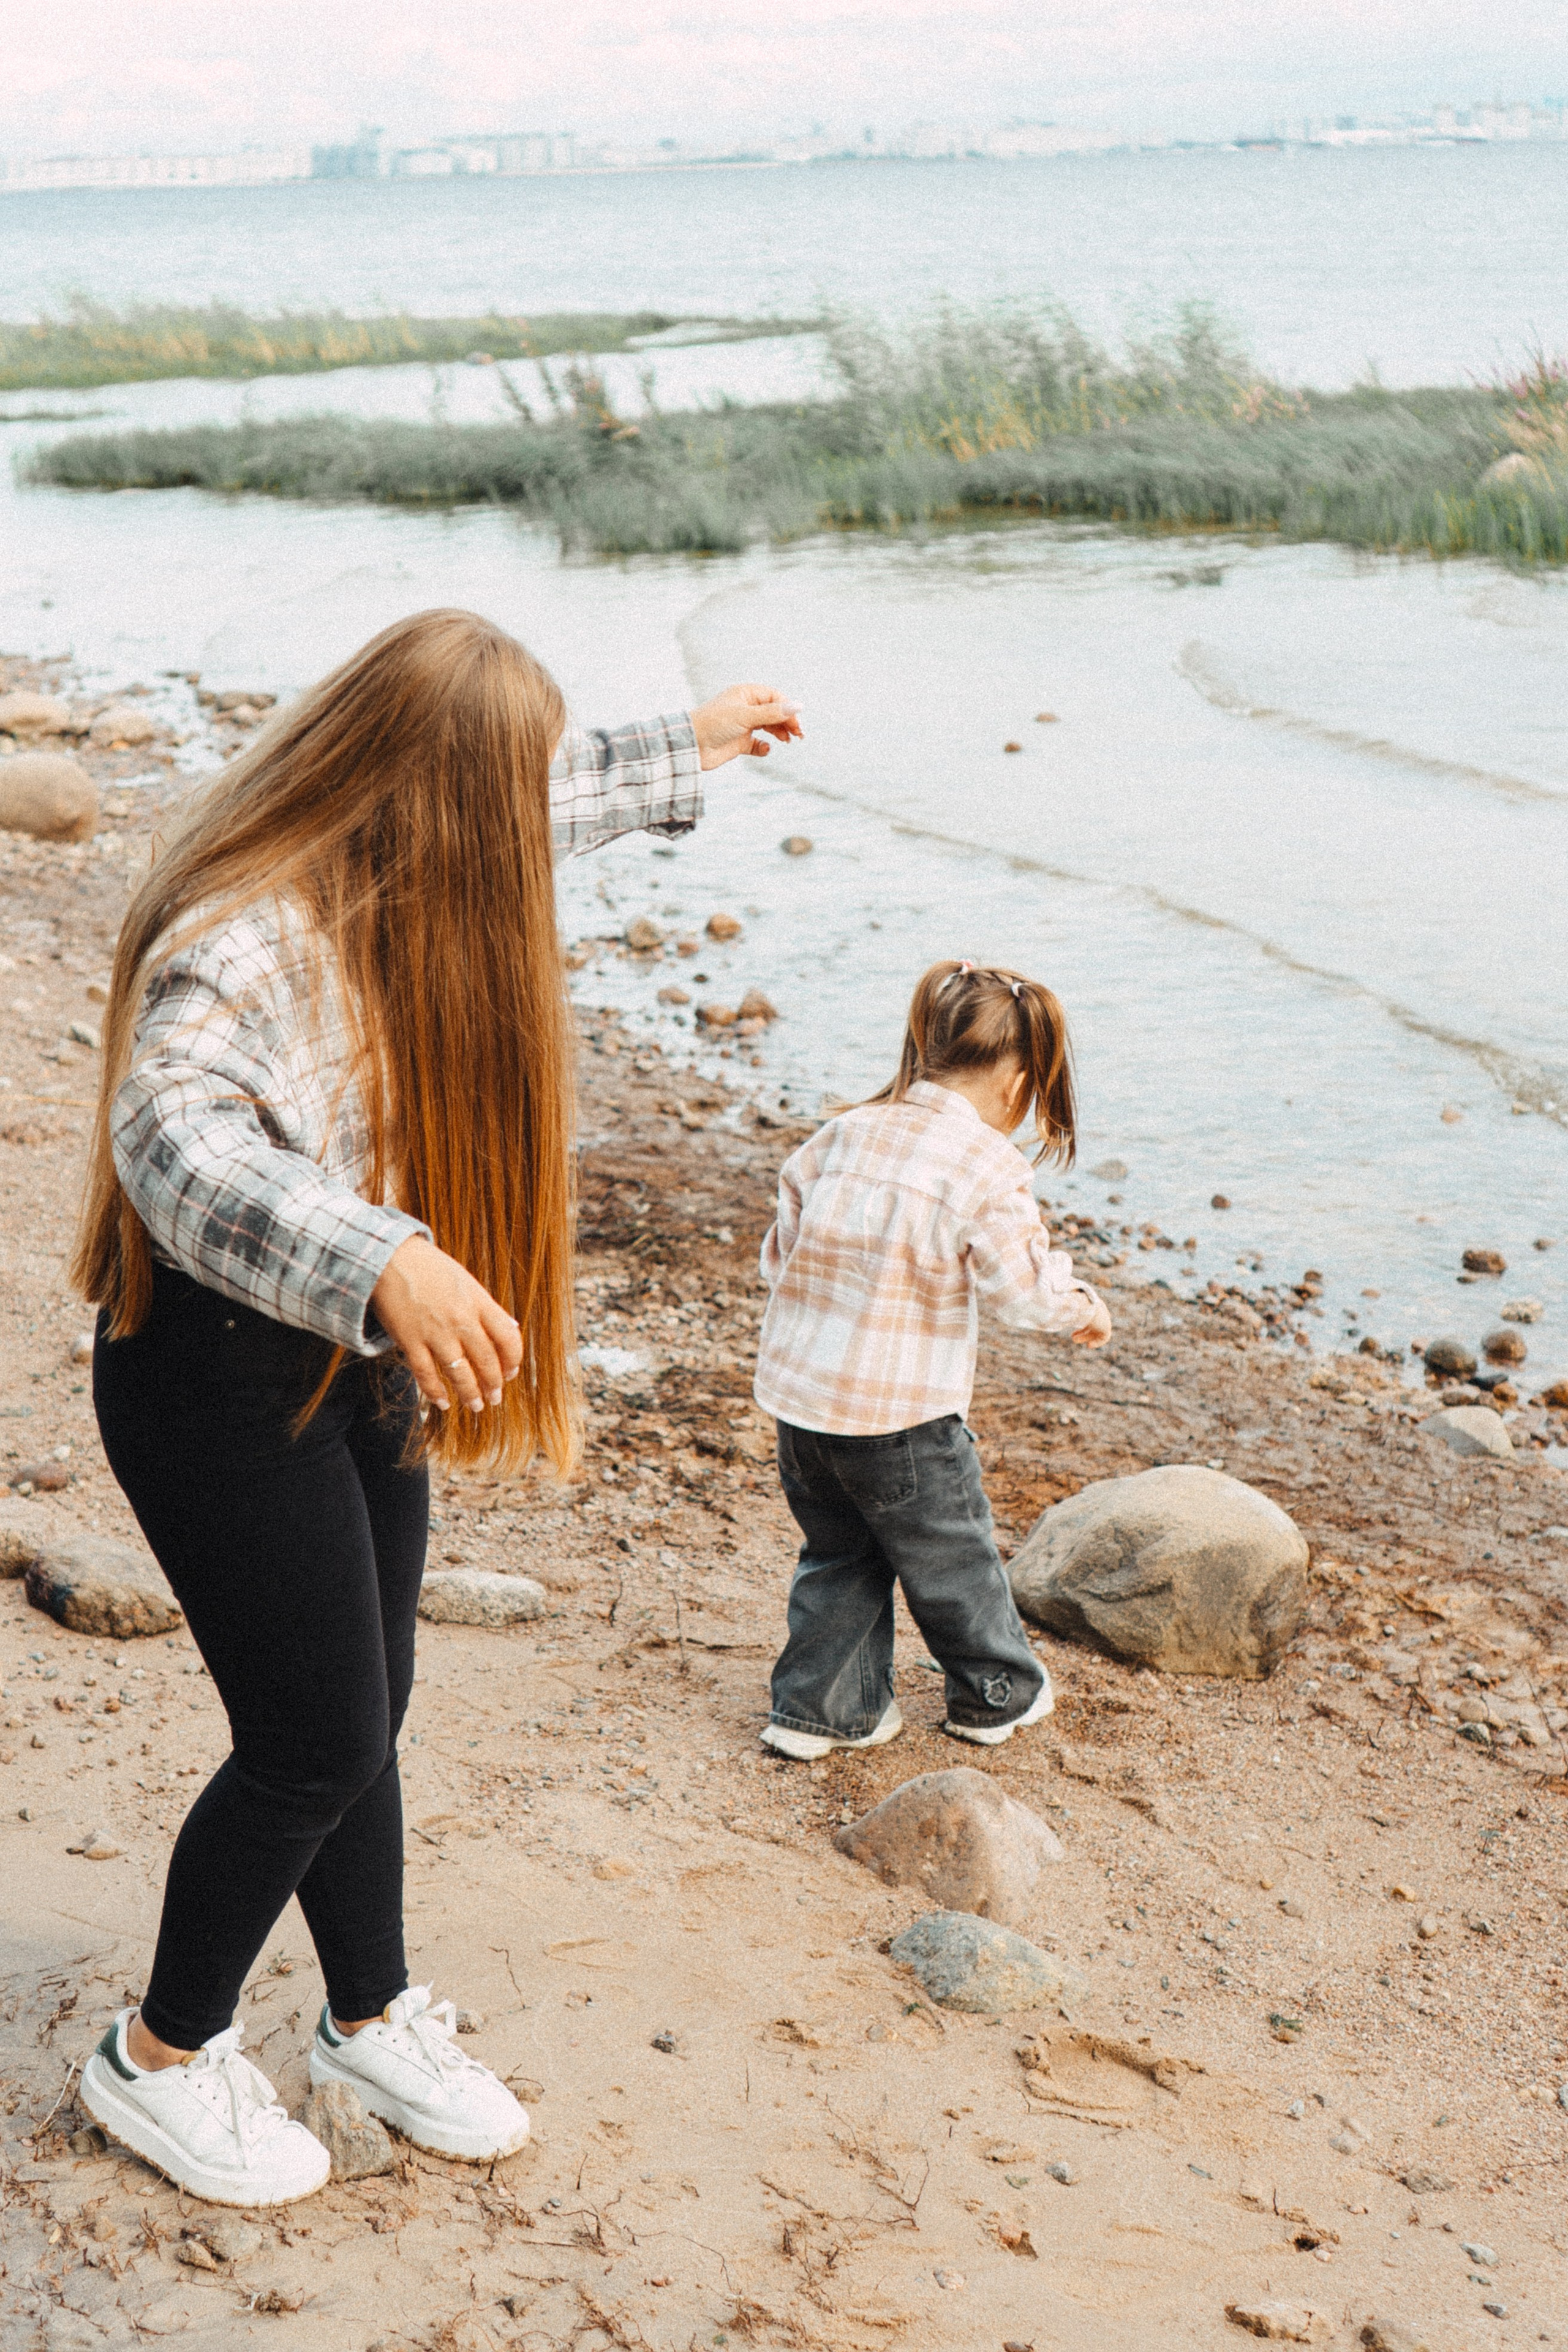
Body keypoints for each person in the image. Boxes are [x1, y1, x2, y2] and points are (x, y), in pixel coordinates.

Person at [72, 607, 800, 2207]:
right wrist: (386, 1257)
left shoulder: (427, 843)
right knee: (311, 1739)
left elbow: (544, 803)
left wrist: (699, 740)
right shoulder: (250, 935)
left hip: (351, 1365)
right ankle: (159, 2057)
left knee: (369, 1707)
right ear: (413, 786)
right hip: (212, 1375)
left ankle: (364, 2015)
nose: (522, 821)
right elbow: (171, 1141)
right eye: (501, 787)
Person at [752, 957, 1112, 1762]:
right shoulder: (985, 1163)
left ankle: (821, 1711)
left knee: (838, 1555)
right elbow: (1020, 1293)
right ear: (1021, 1083)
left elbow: (779, 1259)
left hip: (802, 1408)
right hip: (903, 1418)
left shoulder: (841, 1133)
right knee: (952, 1556)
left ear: (928, 1044)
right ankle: (996, 1696)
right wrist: (1082, 1308)